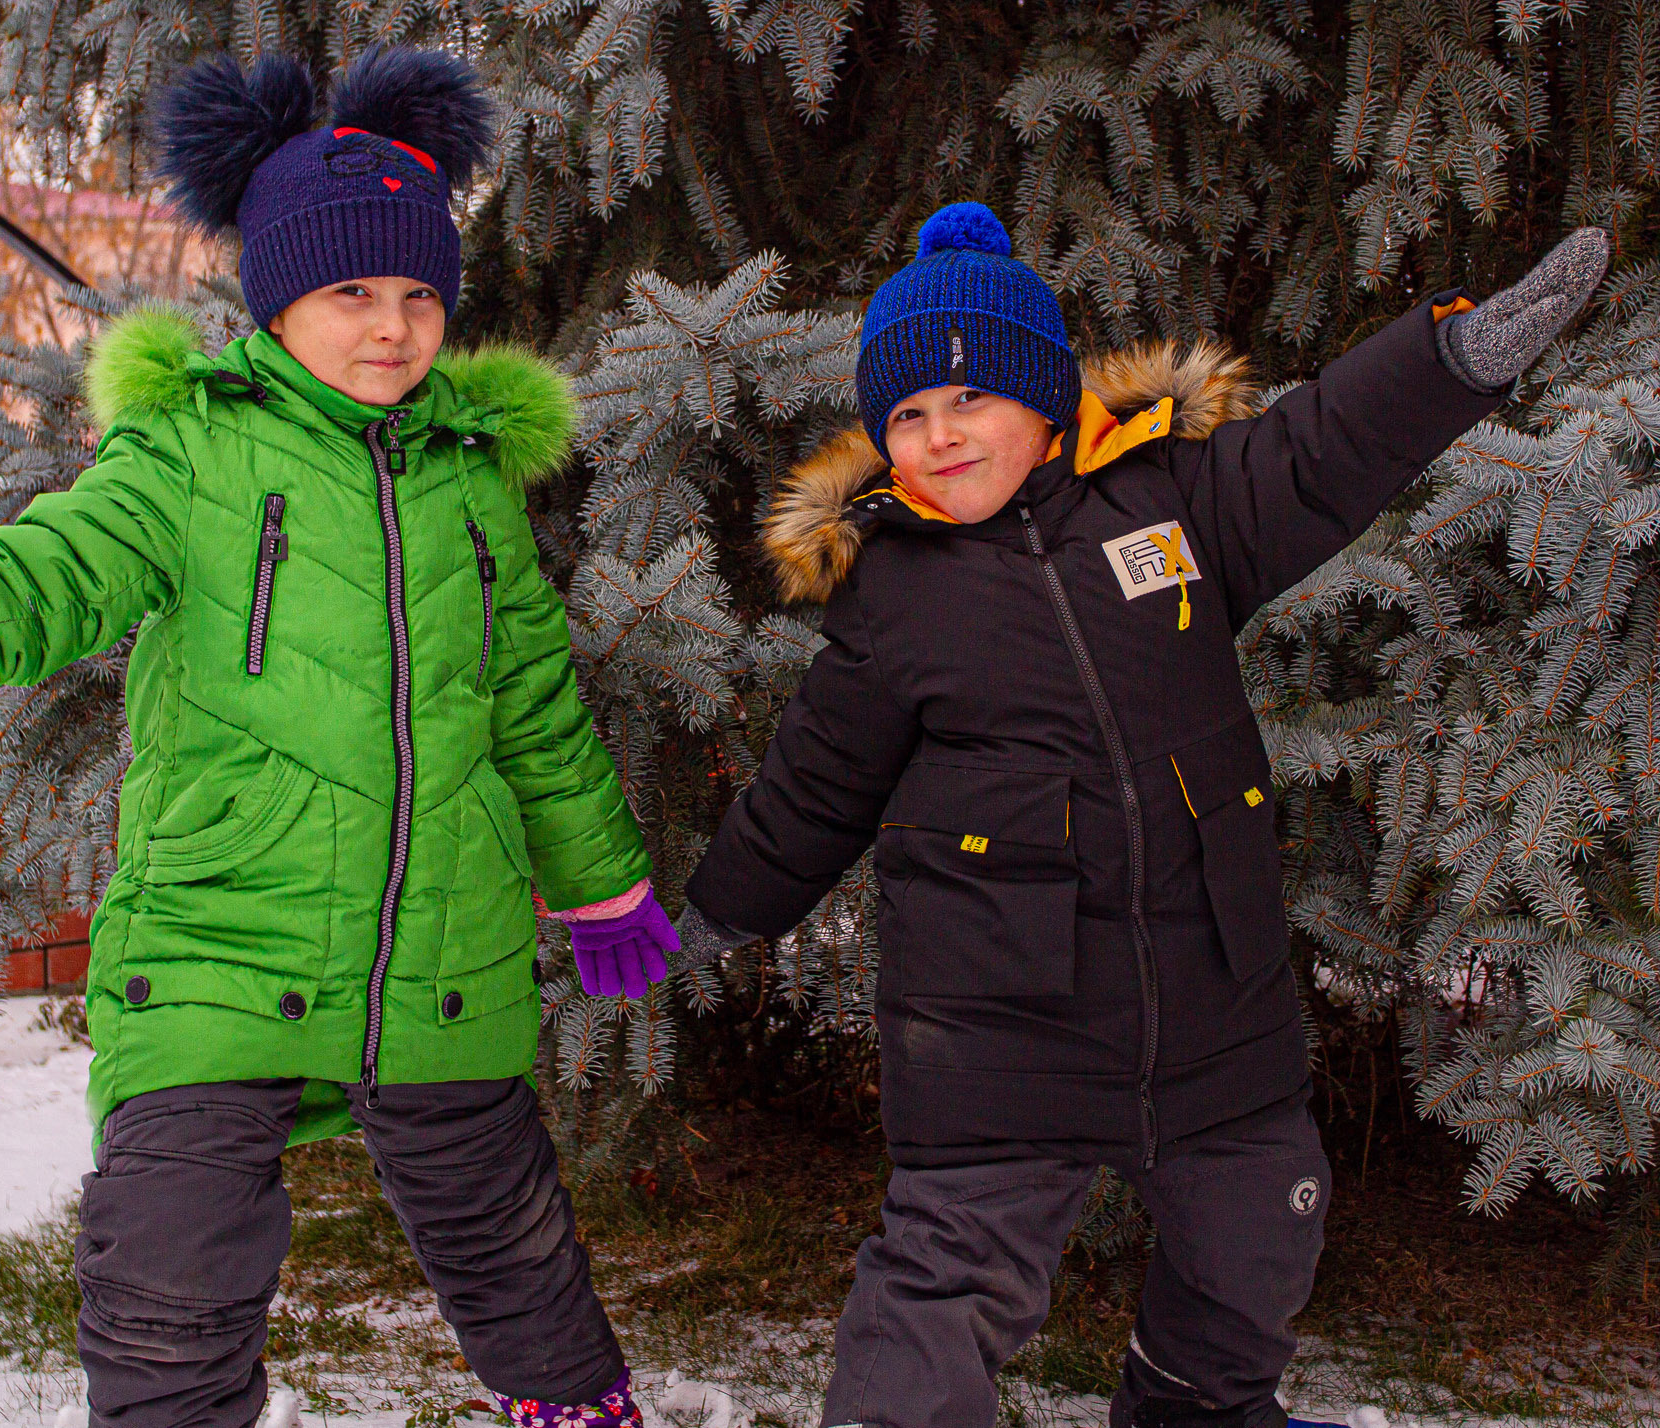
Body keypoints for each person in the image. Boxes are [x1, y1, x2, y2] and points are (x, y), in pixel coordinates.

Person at [0, 47, 679, 1428]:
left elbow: (534, 711)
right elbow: (15, 589)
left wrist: (602, 881)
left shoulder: (469, 485)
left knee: (517, 1259)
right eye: (349, 293)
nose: (390, 328)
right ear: (274, 299)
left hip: (444, 944)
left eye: (417, 295)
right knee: (165, 1282)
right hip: (214, 942)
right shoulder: (186, 460)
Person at [668, 202, 1609, 1428]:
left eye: (969, 400)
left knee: (1259, 1230)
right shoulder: (890, 596)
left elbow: (1313, 455)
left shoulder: (1173, 504)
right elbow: (813, 783)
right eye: (906, 415)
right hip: (997, 1017)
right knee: (942, 1285)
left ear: (1045, 402)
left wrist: (1444, 361)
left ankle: (1196, 1410)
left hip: (1208, 986)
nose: (939, 436)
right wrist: (705, 918)